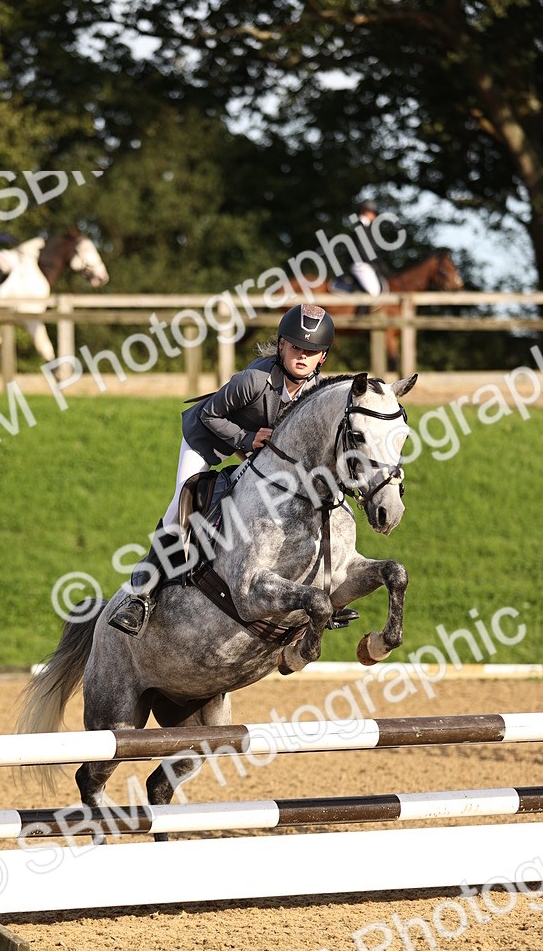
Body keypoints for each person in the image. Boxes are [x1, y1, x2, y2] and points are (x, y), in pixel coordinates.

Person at [108, 303, 336, 637]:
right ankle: (139, 596)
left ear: (323, 358)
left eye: (312, 351)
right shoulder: (253, 380)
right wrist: (245, 438)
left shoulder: (316, 391)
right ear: (281, 345)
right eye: (296, 347)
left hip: (258, 451)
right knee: (179, 510)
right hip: (206, 439)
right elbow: (209, 415)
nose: (302, 356)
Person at [334, 199, 389, 299]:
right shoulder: (360, 227)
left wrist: (377, 262)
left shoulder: (366, 227)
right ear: (364, 211)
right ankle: (361, 313)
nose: (374, 215)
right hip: (360, 264)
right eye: (372, 212)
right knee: (374, 292)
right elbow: (361, 249)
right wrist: (372, 262)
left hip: (363, 263)